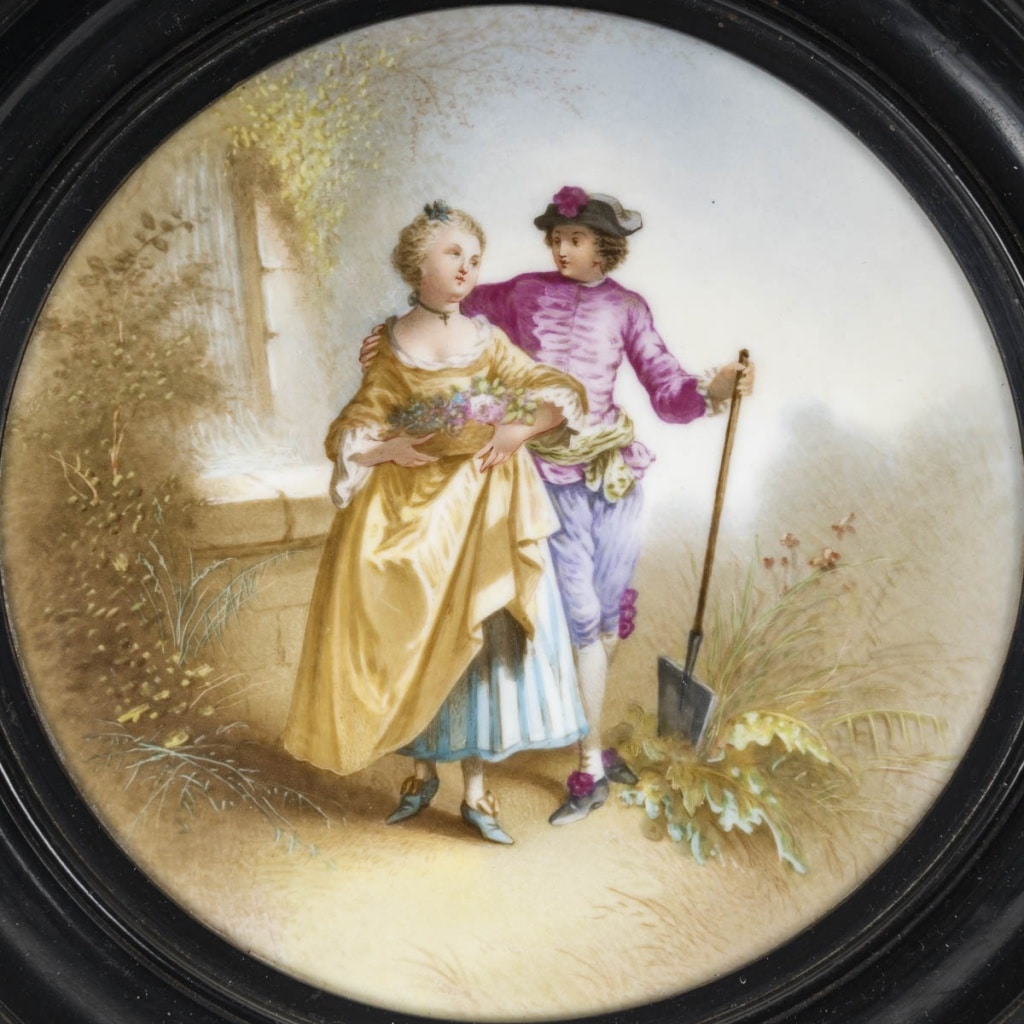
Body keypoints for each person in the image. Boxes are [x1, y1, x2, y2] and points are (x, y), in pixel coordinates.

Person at [362, 187, 752, 826]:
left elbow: (667, 391)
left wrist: (716, 389)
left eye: (574, 239)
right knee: (579, 618)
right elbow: (445, 309)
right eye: (555, 239)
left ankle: (588, 735)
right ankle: (587, 767)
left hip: (616, 480)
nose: (560, 249)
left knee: (608, 618)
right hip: (546, 479)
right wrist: (386, 340)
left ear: (605, 247)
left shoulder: (629, 308)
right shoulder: (520, 293)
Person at [282, 202, 589, 845]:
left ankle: (475, 792)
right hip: (406, 507)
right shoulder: (390, 345)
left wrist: (518, 428)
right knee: (406, 632)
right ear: (417, 264)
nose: (467, 269)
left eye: (475, 259)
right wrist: (385, 448)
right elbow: (355, 424)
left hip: (479, 506)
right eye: (454, 255)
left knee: (475, 639)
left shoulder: (487, 340)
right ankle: (420, 775)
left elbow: (549, 388)